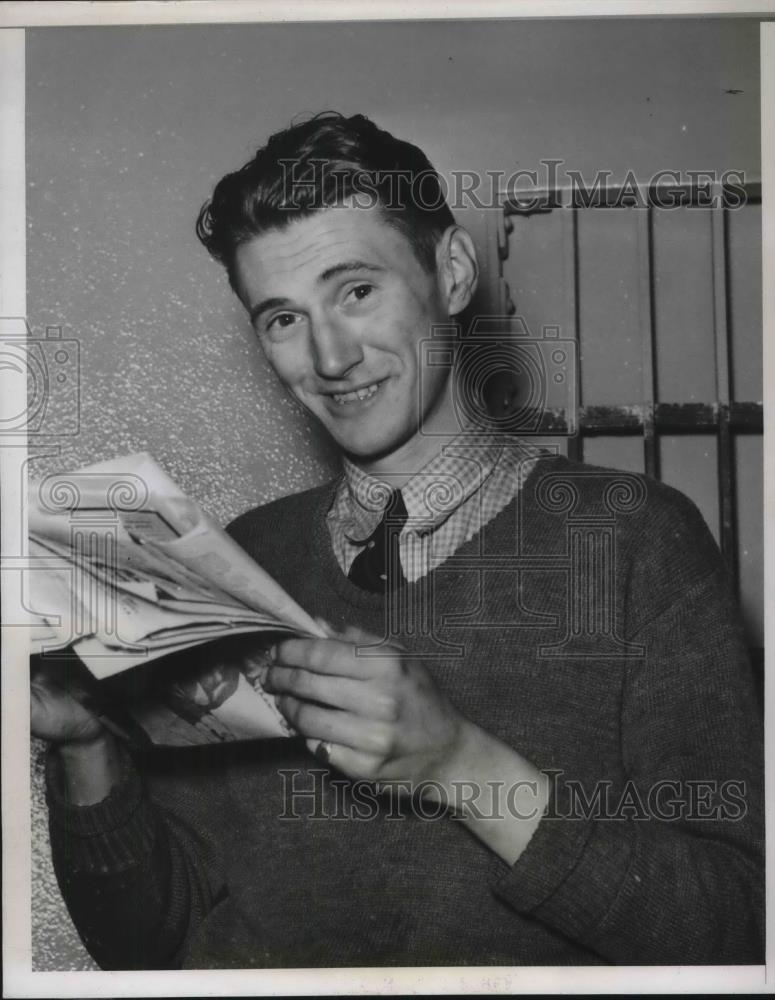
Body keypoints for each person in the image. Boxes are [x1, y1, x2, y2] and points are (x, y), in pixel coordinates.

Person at [33, 112, 764, 969]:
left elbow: (739, 928)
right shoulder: (241, 559)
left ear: (449, 272)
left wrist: (457, 763)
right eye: (282, 318)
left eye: (356, 291)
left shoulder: (637, 537)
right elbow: (151, 946)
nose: (330, 356)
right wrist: (85, 745)